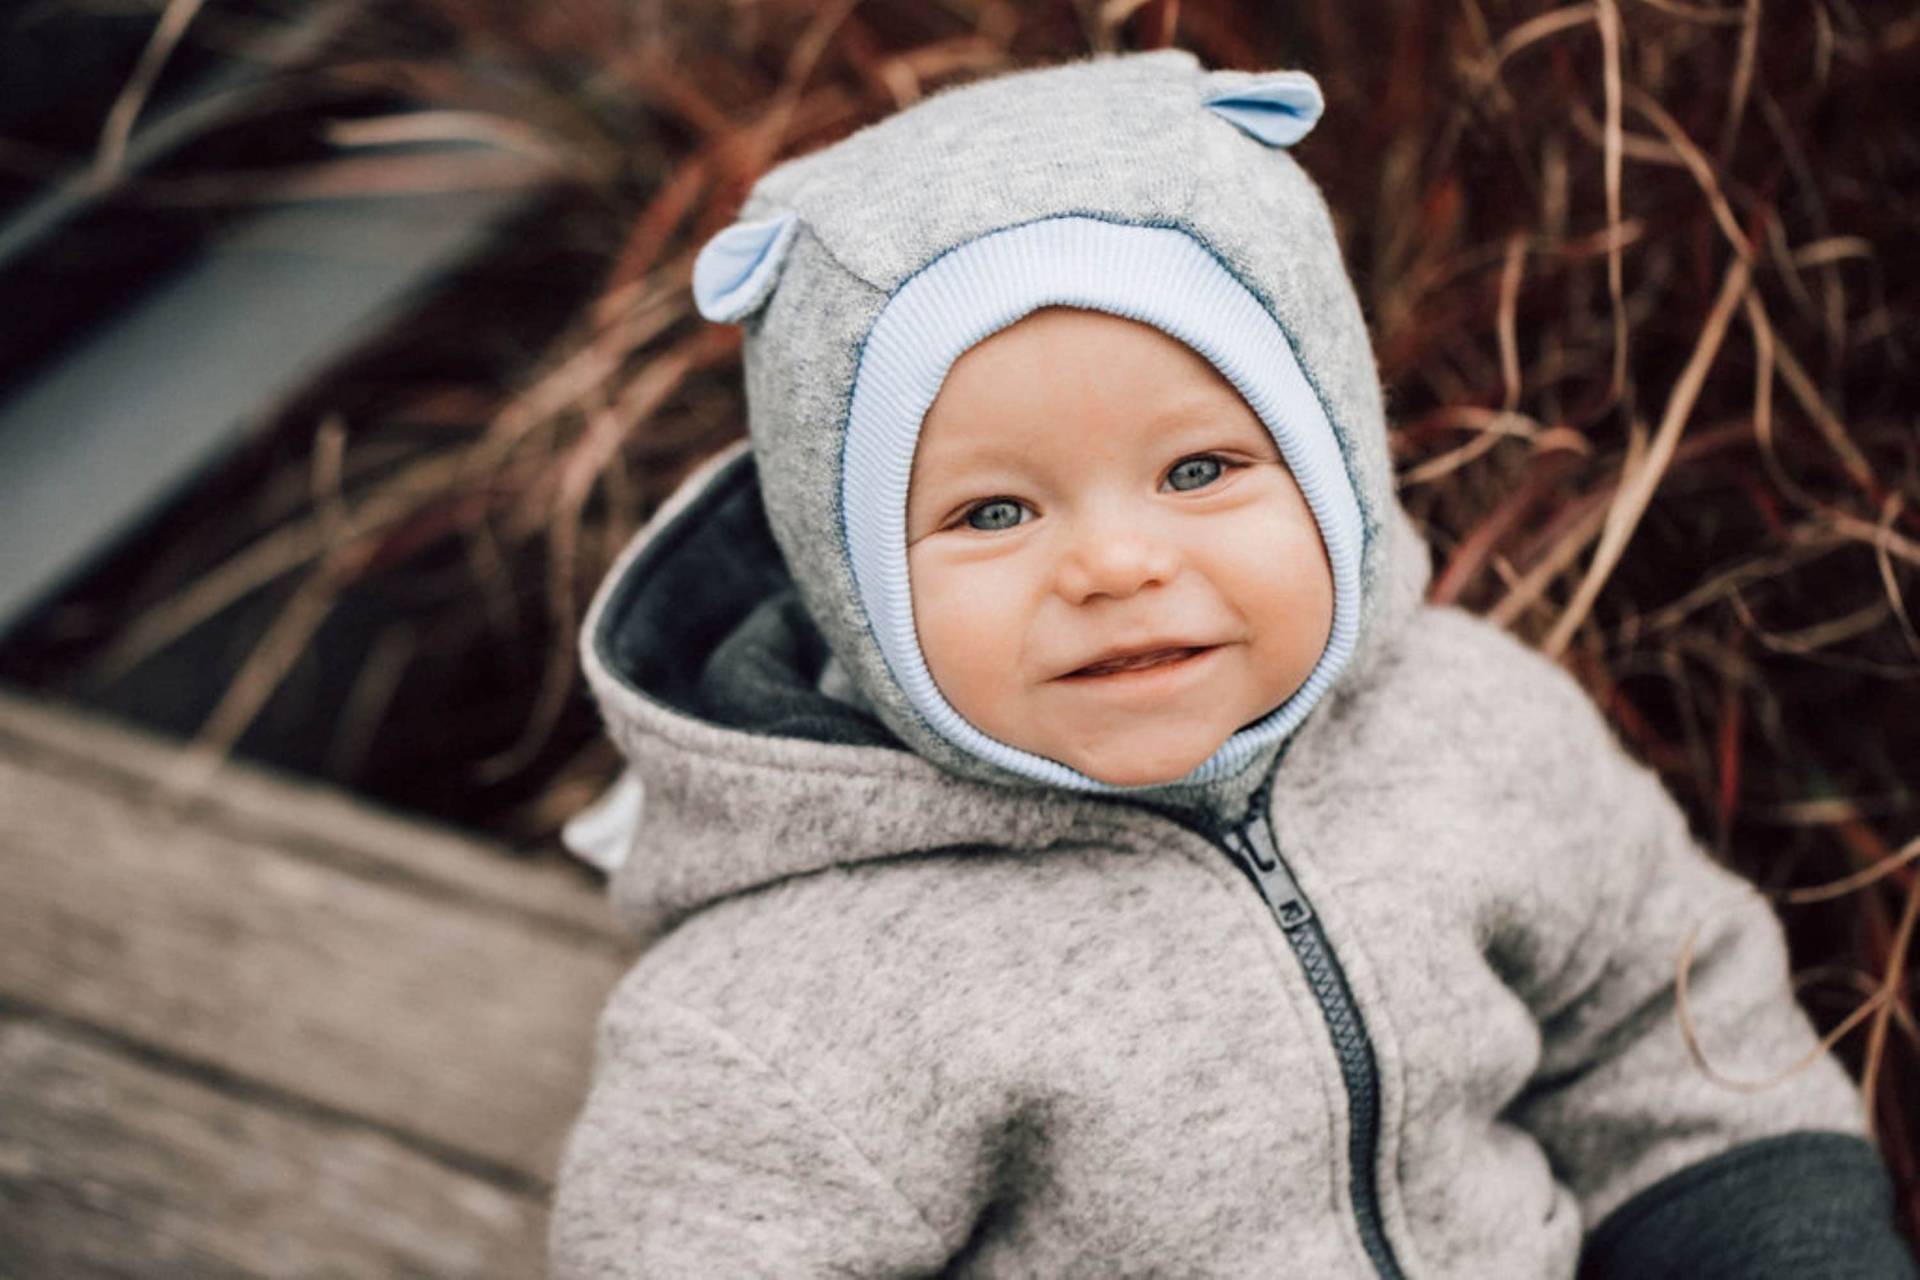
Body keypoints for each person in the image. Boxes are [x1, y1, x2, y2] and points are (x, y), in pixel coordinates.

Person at [547, 49, 1915, 1277]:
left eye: (1200, 468)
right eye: (994, 513)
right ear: (848, 576)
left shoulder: (1478, 733)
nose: (1115, 565)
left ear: (1336, 466)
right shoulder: (790, 1005)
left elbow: (1661, 1035)